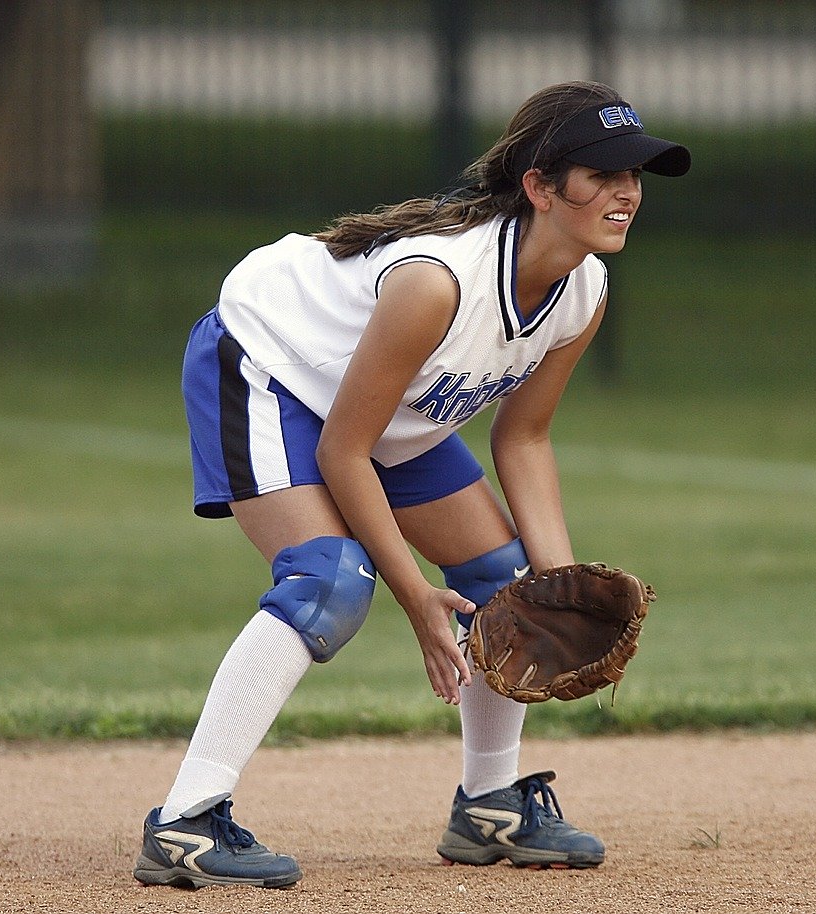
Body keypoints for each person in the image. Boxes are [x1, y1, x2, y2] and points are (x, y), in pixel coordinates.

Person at [132, 80, 690, 889]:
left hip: (388, 408)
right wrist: (415, 597)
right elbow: (344, 452)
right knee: (330, 581)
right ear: (539, 186)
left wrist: (557, 580)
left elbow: (524, 437)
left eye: (635, 174)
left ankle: (490, 805)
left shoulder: (584, 289)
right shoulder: (439, 282)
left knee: (506, 584)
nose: (627, 192)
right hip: (272, 366)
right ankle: (185, 822)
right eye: (602, 173)